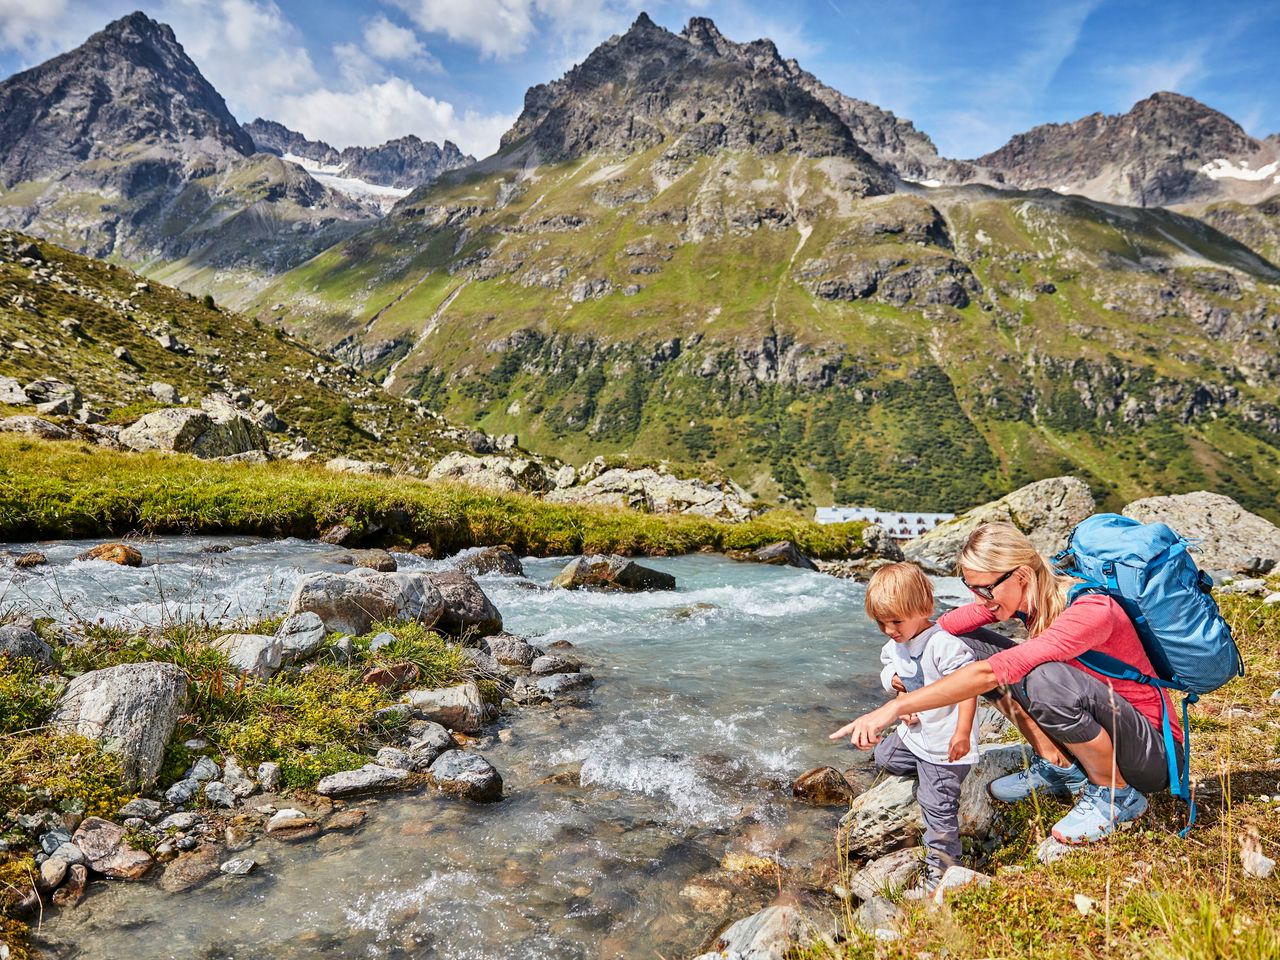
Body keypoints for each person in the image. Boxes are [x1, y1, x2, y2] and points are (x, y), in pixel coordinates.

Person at [831, 522, 1180, 844]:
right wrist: (991, 605)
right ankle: (1058, 764)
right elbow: (948, 626)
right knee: (968, 643)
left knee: (1041, 677)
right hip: (1107, 724)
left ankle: (1115, 795)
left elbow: (992, 673)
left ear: (1023, 575)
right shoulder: (1031, 605)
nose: (977, 596)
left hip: (1151, 754)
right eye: (971, 588)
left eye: (984, 588)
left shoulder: (1090, 609)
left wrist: (895, 707)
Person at [863, 562, 979, 890]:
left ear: (924, 609)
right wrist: (902, 698)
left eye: (896, 621)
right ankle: (918, 769)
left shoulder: (943, 644)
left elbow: (969, 686)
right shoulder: (898, 641)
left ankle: (942, 876)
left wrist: (962, 733)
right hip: (916, 735)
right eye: (881, 623)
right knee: (884, 757)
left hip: (943, 744)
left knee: (936, 809)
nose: (889, 630)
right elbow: (892, 668)